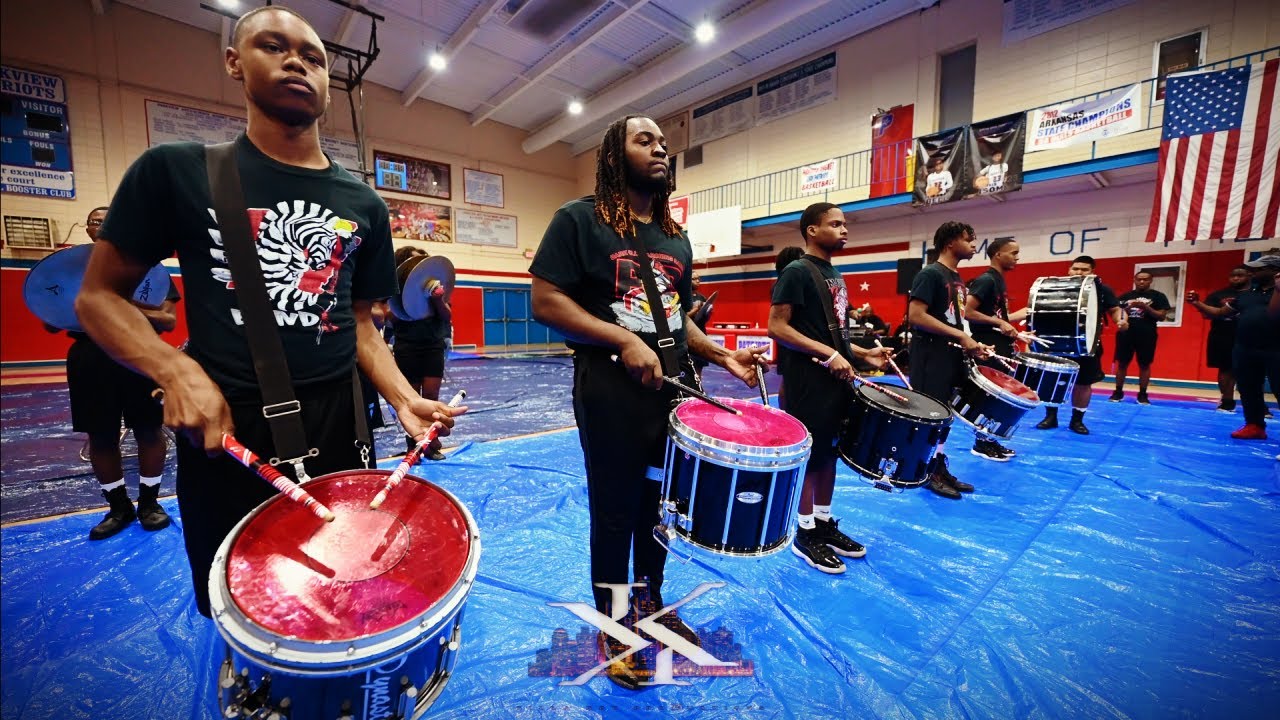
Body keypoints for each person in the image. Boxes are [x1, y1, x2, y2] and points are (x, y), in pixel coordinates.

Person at [75, 5, 462, 618]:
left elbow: (360, 322)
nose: (296, 62)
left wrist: (399, 395)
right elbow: (97, 296)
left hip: (341, 424)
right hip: (229, 427)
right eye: (274, 46)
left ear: (328, 87)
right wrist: (175, 372)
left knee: (344, 589)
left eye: (313, 57)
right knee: (241, 602)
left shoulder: (362, 202)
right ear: (234, 62)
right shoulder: (179, 170)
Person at [530, 114, 765, 689]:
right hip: (611, 393)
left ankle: (652, 604)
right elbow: (544, 300)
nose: (661, 149)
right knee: (615, 511)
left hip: (674, 395)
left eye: (664, 143)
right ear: (615, 154)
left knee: (661, 509)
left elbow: (678, 317)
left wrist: (721, 355)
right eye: (645, 140)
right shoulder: (578, 220)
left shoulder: (674, 237)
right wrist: (622, 339)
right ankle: (614, 622)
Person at [768, 203, 889, 573]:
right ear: (811, 231)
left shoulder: (834, 273)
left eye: (844, 224)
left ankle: (823, 522)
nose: (844, 230)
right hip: (809, 380)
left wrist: (865, 353)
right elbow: (778, 327)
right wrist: (826, 355)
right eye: (835, 224)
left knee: (831, 452)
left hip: (836, 379)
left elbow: (832, 333)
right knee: (811, 454)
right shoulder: (796, 271)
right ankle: (804, 532)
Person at [51, 206, 180, 540]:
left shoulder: (149, 270)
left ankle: (150, 503)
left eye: (109, 219)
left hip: (140, 354)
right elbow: (49, 322)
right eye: (96, 221)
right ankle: (119, 507)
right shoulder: (68, 271)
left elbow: (168, 320)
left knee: (149, 430)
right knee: (101, 435)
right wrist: (78, 299)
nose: (102, 226)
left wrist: (114, 301)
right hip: (90, 359)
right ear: (87, 230)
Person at [907, 221, 993, 498]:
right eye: (969, 239)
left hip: (951, 354)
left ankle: (937, 464)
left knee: (945, 415)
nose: (973, 245)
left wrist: (970, 343)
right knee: (932, 414)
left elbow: (955, 320)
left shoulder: (957, 279)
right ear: (950, 243)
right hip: (931, 355)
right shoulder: (930, 274)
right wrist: (959, 335)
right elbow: (916, 316)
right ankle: (925, 469)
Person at [1035, 256, 1126, 434]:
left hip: (1087, 345)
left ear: (1092, 272)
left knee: (1083, 384)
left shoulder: (1101, 289)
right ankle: (1050, 417)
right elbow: (1034, 308)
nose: (1079, 273)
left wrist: (1121, 321)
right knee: (1053, 381)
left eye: (1084, 269)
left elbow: (1115, 309)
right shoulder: (1056, 287)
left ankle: (1077, 420)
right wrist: (1005, 320)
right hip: (1056, 343)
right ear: (1069, 269)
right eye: (1075, 268)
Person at [963, 237, 1027, 460]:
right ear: (998, 254)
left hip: (999, 344)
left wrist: (1013, 327)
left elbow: (998, 316)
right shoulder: (987, 280)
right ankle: (981, 443)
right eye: (1013, 253)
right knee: (990, 397)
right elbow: (968, 312)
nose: (1017, 257)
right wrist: (1000, 323)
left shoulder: (998, 281)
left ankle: (990, 439)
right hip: (988, 346)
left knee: (1000, 398)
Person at [390, 245, 452, 459]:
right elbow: (392, 316)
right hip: (407, 347)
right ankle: (414, 445)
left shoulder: (434, 288)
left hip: (433, 346)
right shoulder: (395, 291)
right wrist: (410, 301)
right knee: (413, 399)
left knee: (432, 397)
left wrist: (436, 299)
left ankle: (432, 443)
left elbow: (446, 316)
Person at [1224, 254, 1280, 440]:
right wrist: (1197, 304)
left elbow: (1274, 315)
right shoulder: (1248, 295)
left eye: (1259, 269)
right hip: (1246, 347)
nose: (1253, 272)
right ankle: (1254, 425)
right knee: (1248, 387)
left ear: (1274, 271)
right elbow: (1222, 312)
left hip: (1275, 348)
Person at [1187, 266, 1250, 412]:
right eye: (1233, 276)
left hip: (1248, 334)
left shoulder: (1255, 294)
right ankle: (1227, 399)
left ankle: (1259, 404)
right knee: (1225, 368)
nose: (1236, 278)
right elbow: (1206, 314)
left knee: (1248, 369)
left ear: (1249, 275)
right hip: (1222, 334)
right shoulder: (1218, 295)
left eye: (1240, 275)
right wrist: (1198, 303)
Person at [1110, 270, 1171, 404]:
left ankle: (1142, 394)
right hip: (1126, 334)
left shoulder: (1158, 296)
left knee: (1144, 364)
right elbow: (1116, 313)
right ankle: (1118, 392)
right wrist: (1127, 308)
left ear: (1151, 281)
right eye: (1139, 279)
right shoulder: (1125, 296)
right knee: (1122, 363)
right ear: (1135, 280)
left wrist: (1145, 307)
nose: (1142, 282)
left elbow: (1161, 316)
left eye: (1145, 279)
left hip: (1147, 334)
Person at [773, 246, 806, 411]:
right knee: (788, 382)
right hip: (790, 341)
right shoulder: (785, 283)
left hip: (794, 341)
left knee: (790, 383)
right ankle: (786, 416)